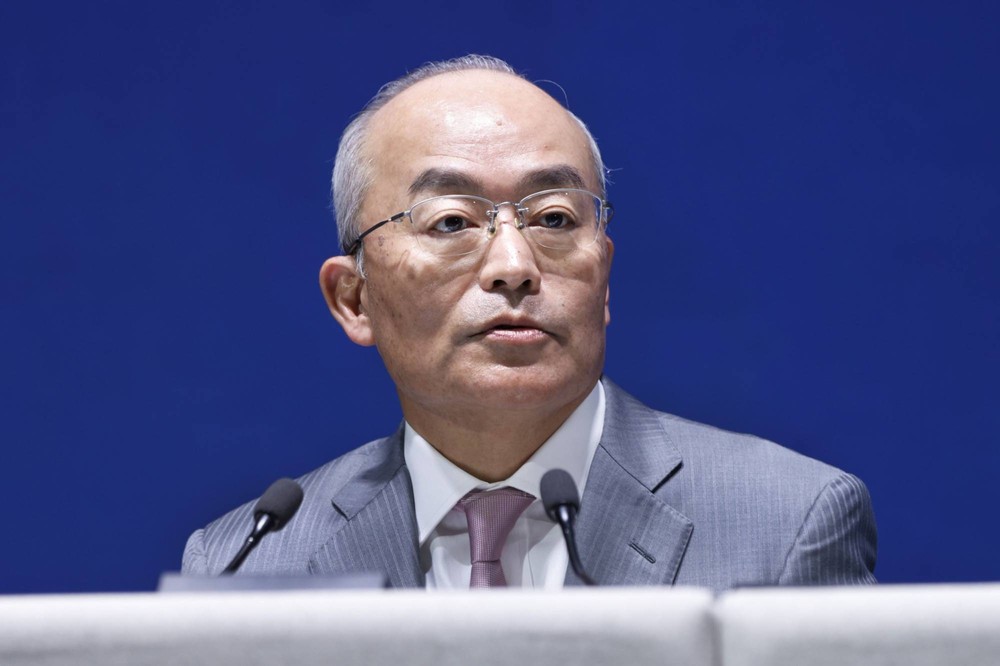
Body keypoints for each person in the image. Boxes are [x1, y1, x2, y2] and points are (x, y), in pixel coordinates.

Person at [182, 55, 877, 591]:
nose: (514, 266)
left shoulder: (786, 523)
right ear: (353, 300)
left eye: (554, 219)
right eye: (451, 222)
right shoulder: (247, 561)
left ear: (604, 279)